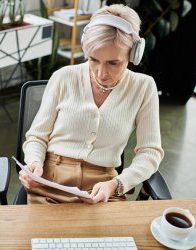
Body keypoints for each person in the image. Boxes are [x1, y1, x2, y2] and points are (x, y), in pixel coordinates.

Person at [19, 4, 164, 204]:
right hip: (49, 183)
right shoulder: (63, 77)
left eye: (113, 63)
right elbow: (36, 136)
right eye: (93, 59)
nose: (101, 73)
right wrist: (34, 163)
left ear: (133, 55)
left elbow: (150, 153)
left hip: (105, 189)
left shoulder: (143, 87)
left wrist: (117, 184)